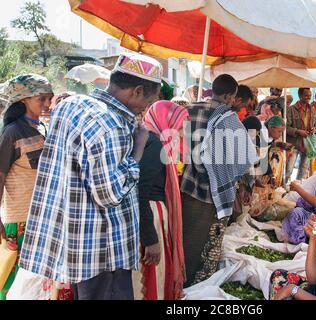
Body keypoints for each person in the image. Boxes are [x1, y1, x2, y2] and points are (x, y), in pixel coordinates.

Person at [18, 53, 162, 300]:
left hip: (76, 246)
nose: (145, 110)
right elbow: (109, 195)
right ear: (137, 91)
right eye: (148, 102)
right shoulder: (111, 124)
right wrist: (138, 150)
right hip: (104, 250)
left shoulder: (71, 106)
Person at [181, 74, 258, 287]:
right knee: (205, 243)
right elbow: (246, 160)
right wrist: (248, 185)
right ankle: (193, 287)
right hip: (214, 193)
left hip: (187, 186)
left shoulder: (188, 110)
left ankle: (179, 282)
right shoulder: (230, 120)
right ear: (227, 96)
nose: (234, 101)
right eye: (233, 97)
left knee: (185, 238)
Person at [0, 74, 54, 300]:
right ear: (23, 100)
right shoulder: (12, 132)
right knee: (17, 284)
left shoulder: (42, 127)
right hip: (21, 221)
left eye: (49, 99)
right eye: (41, 99)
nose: (47, 105)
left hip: (44, 218)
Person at [139, 101, 189, 300]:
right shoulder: (154, 145)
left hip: (154, 216)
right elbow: (141, 192)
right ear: (166, 122)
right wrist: (151, 238)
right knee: (153, 276)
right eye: (180, 126)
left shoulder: (152, 140)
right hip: (152, 218)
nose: (183, 132)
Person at [286, 88, 316, 182]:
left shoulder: (312, 110)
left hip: (308, 144)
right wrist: (297, 131)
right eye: (306, 95)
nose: (308, 97)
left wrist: (315, 129)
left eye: (309, 95)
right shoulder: (291, 109)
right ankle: (284, 188)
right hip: (294, 143)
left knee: (304, 169)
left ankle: (299, 190)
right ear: (300, 96)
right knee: (288, 169)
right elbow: (286, 127)